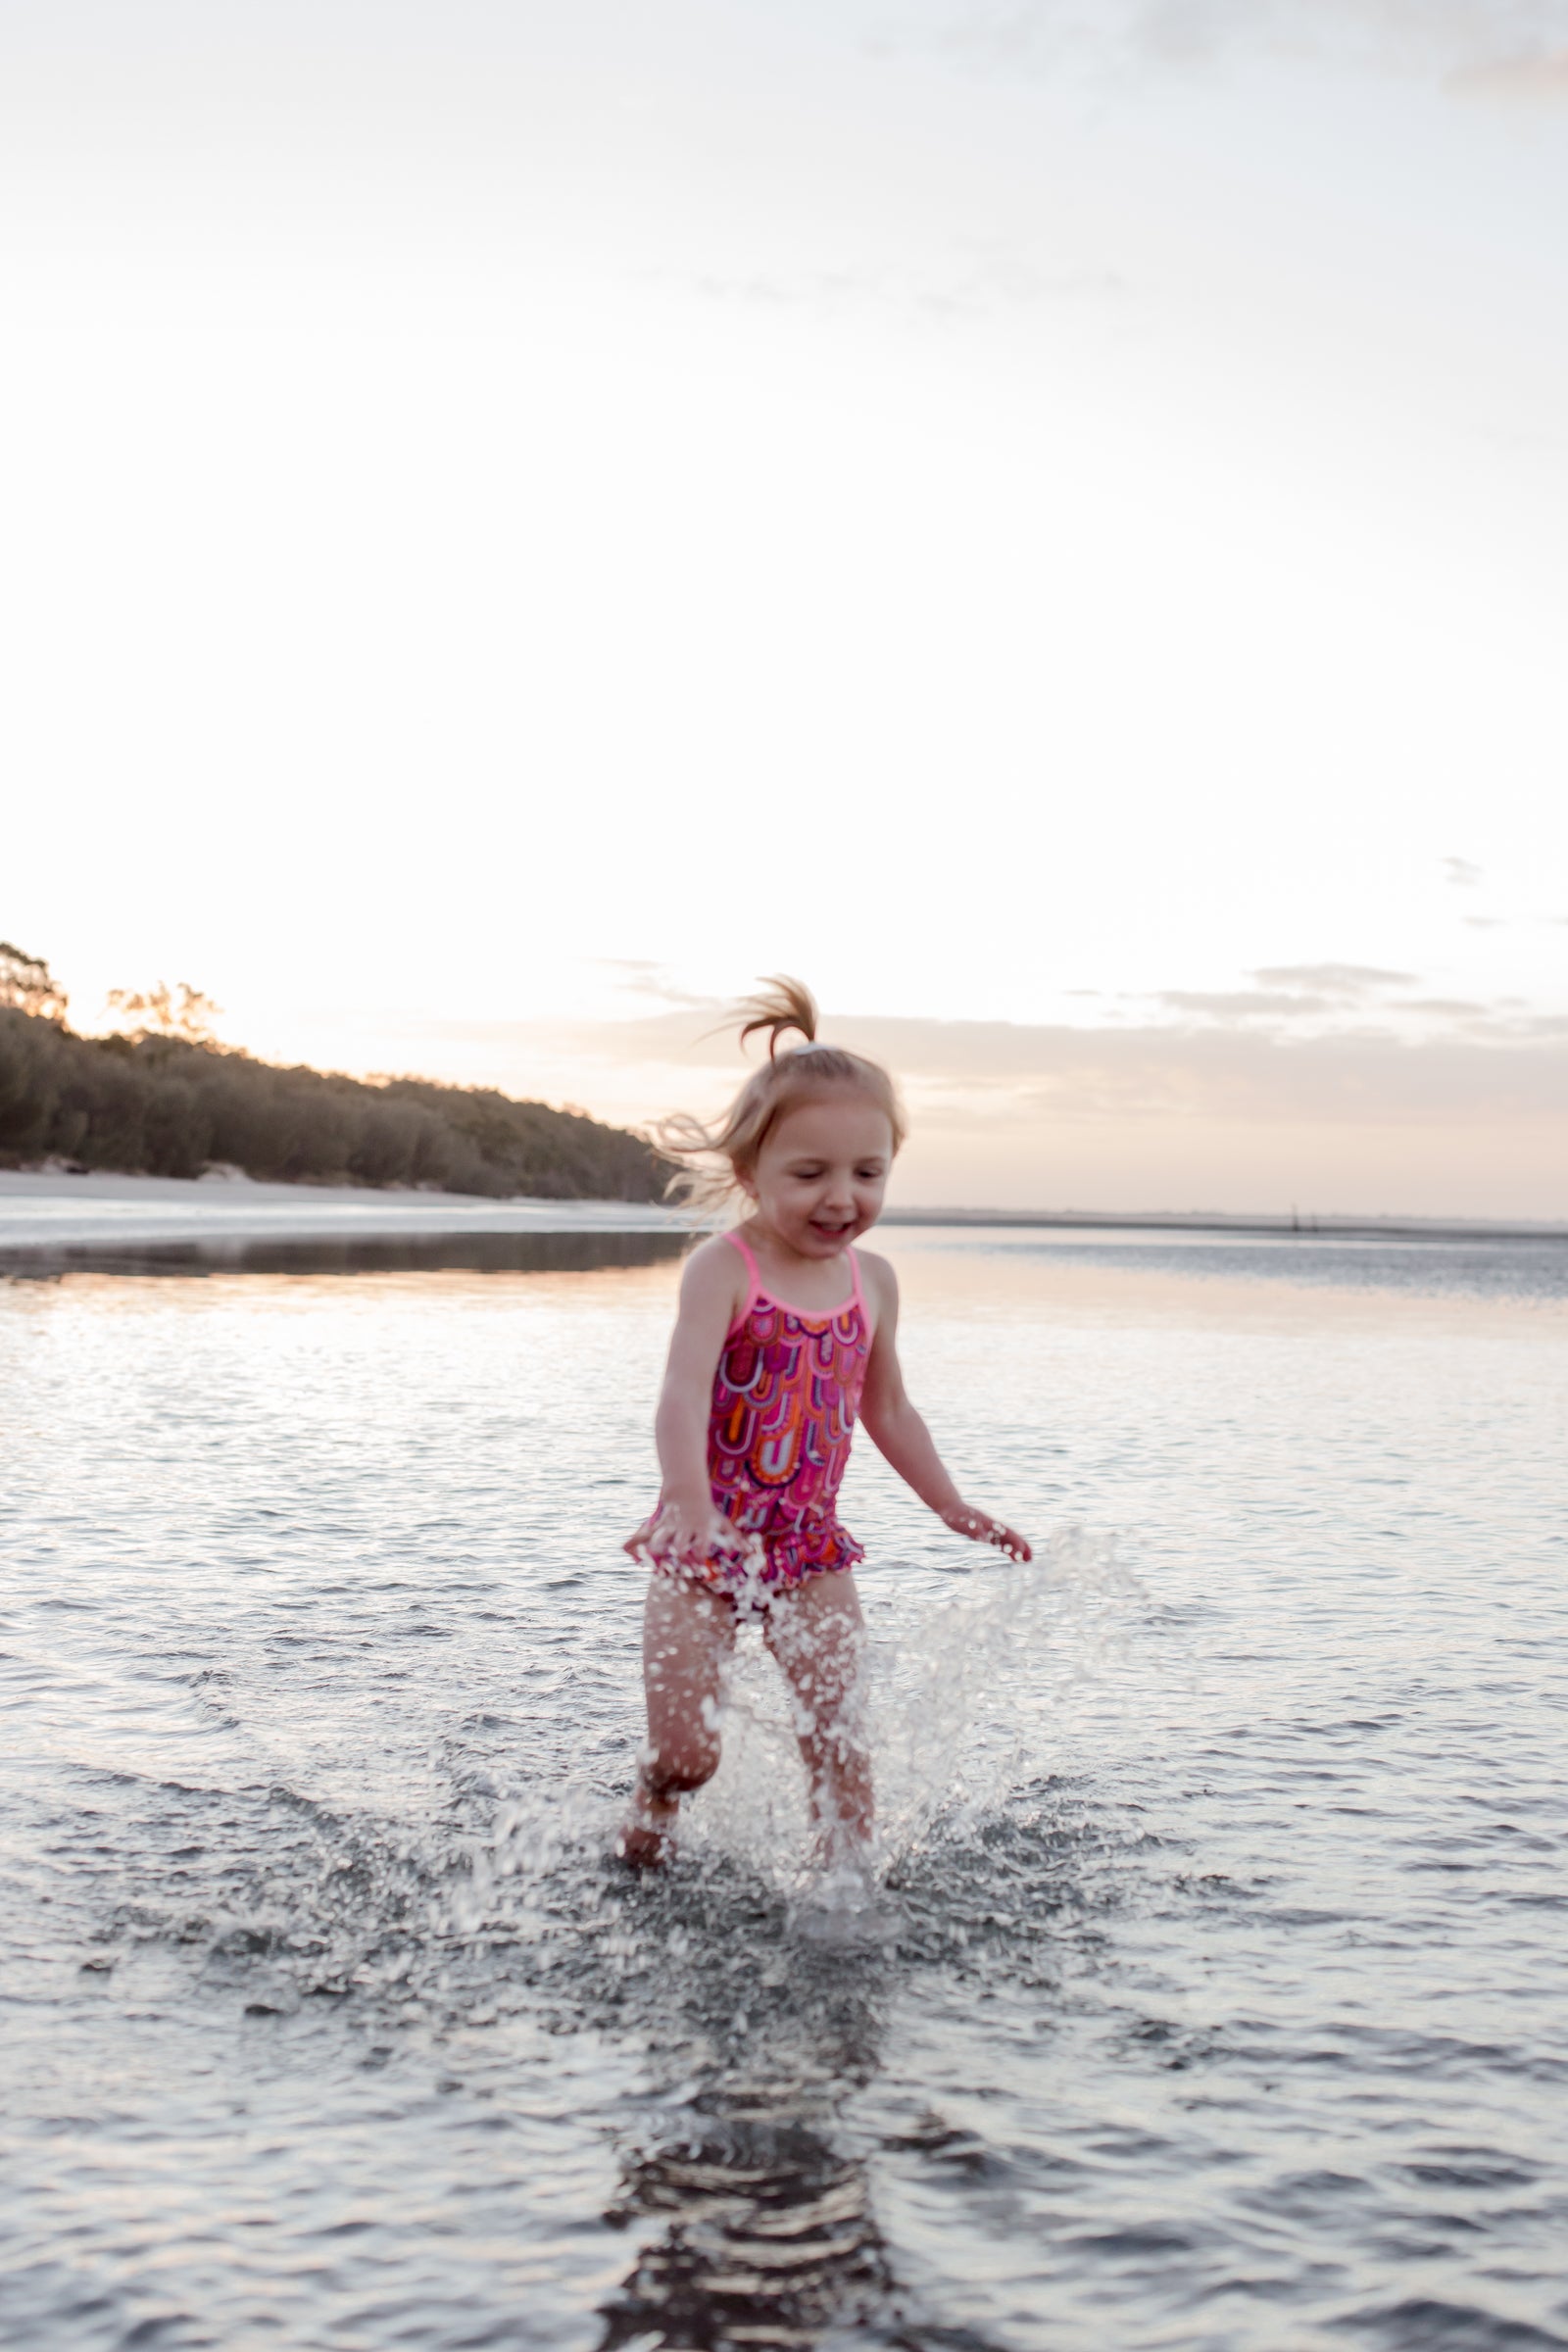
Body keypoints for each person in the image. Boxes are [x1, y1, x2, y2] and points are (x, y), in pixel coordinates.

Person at [620, 977, 1031, 1869]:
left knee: (843, 1750)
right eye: (809, 1174)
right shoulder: (722, 1269)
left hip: (809, 1548)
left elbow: (888, 1408)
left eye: (867, 1173)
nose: (841, 1196)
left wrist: (952, 1507)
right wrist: (687, 1503)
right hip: (705, 1542)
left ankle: (844, 1917)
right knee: (691, 1758)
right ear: (750, 1173)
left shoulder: (873, 1281)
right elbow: (682, 1395)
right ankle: (650, 1813)